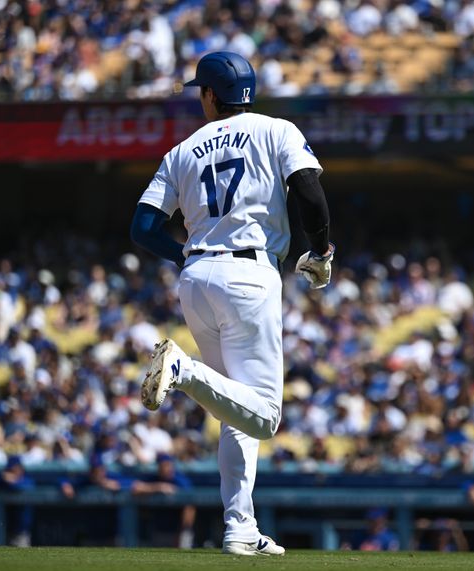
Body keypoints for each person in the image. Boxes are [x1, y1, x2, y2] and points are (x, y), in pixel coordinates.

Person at [130, 50, 334, 556]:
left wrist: (185, 257)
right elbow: (308, 189)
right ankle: (183, 370)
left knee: (236, 410)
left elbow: (142, 228)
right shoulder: (277, 130)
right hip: (250, 273)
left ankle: (240, 526)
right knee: (264, 416)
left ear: (209, 95)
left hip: (196, 276)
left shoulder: (181, 150)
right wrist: (322, 248)